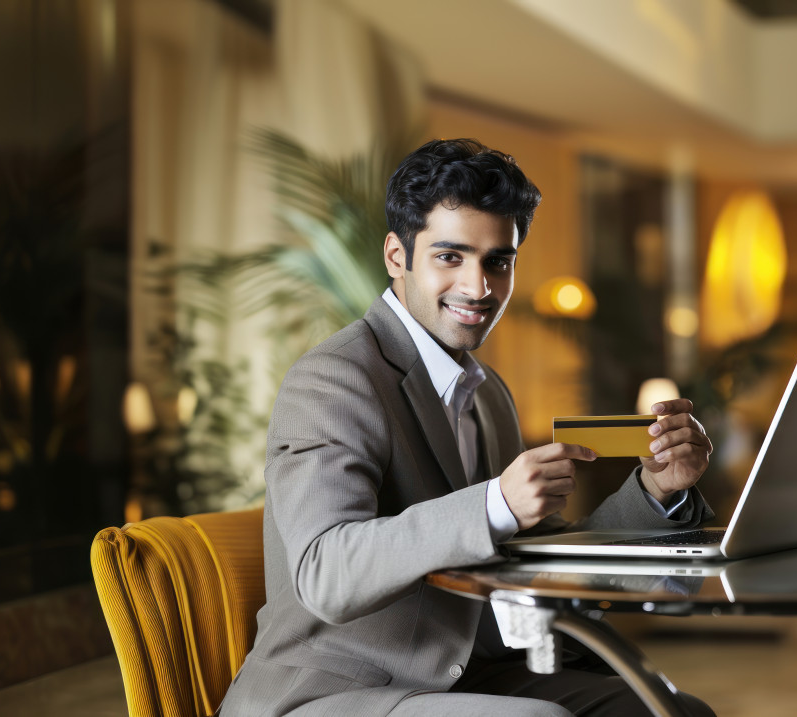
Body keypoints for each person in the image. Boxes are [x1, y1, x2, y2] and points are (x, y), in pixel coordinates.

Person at [221, 139, 716, 716]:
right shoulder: (334, 379)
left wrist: (657, 492)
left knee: (675, 711)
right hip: (335, 693)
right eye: (450, 257)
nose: (479, 288)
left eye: (498, 262)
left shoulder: (488, 395)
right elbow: (324, 573)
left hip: (465, 675)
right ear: (397, 256)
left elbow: (541, 561)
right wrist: (494, 504)